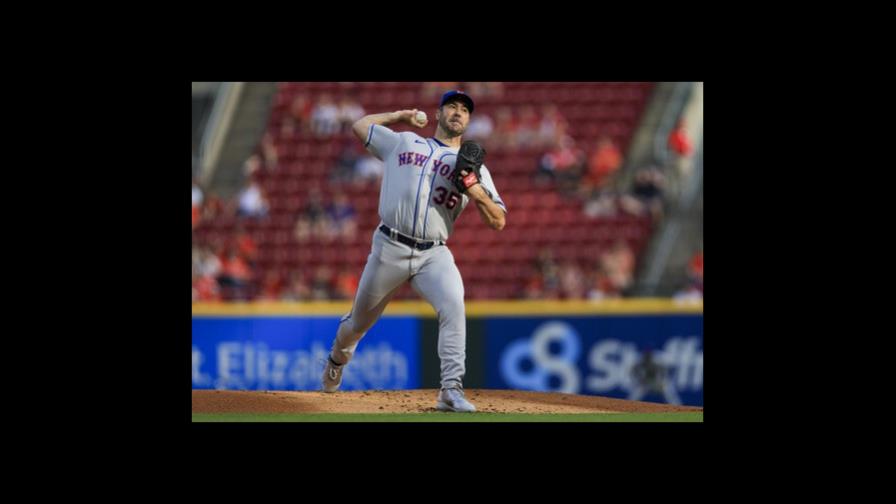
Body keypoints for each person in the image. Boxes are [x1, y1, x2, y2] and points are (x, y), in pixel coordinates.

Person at [321, 90, 507, 412]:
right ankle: (337, 359)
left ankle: (450, 389)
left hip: (434, 253)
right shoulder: (404, 142)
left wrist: (475, 189)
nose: (458, 112)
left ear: (469, 120)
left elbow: (499, 221)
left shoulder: (475, 169)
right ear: (439, 113)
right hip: (389, 245)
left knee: (453, 306)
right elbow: (359, 126)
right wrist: (398, 115)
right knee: (358, 324)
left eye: (464, 109)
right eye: (452, 106)